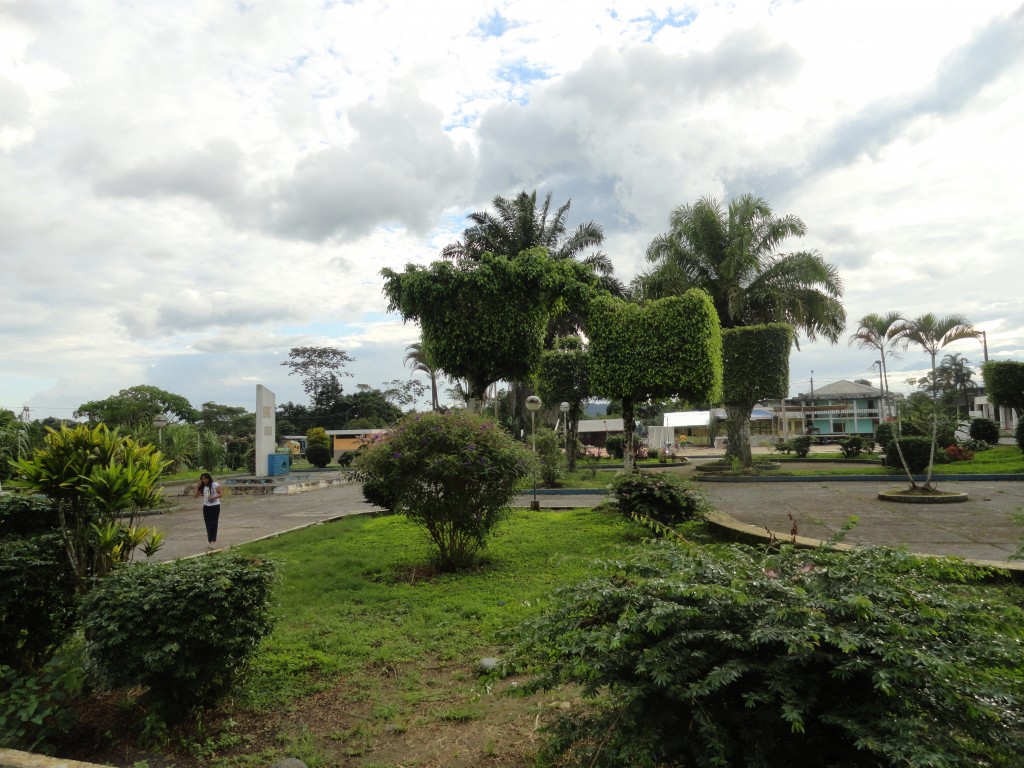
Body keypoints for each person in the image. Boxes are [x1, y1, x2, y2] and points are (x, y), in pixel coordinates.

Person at [195, 473, 222, 549]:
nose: (204, 480)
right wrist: (197, 486)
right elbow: (195, 496)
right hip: (206, 507)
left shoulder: (214, 484)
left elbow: (220, 494)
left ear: (209, 478)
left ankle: (213, 541)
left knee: (214, 523)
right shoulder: (202, 486)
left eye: (205, 478)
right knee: (208, 523)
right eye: (202, 479)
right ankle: (210, 540)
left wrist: (213, 497)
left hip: (215, 506)